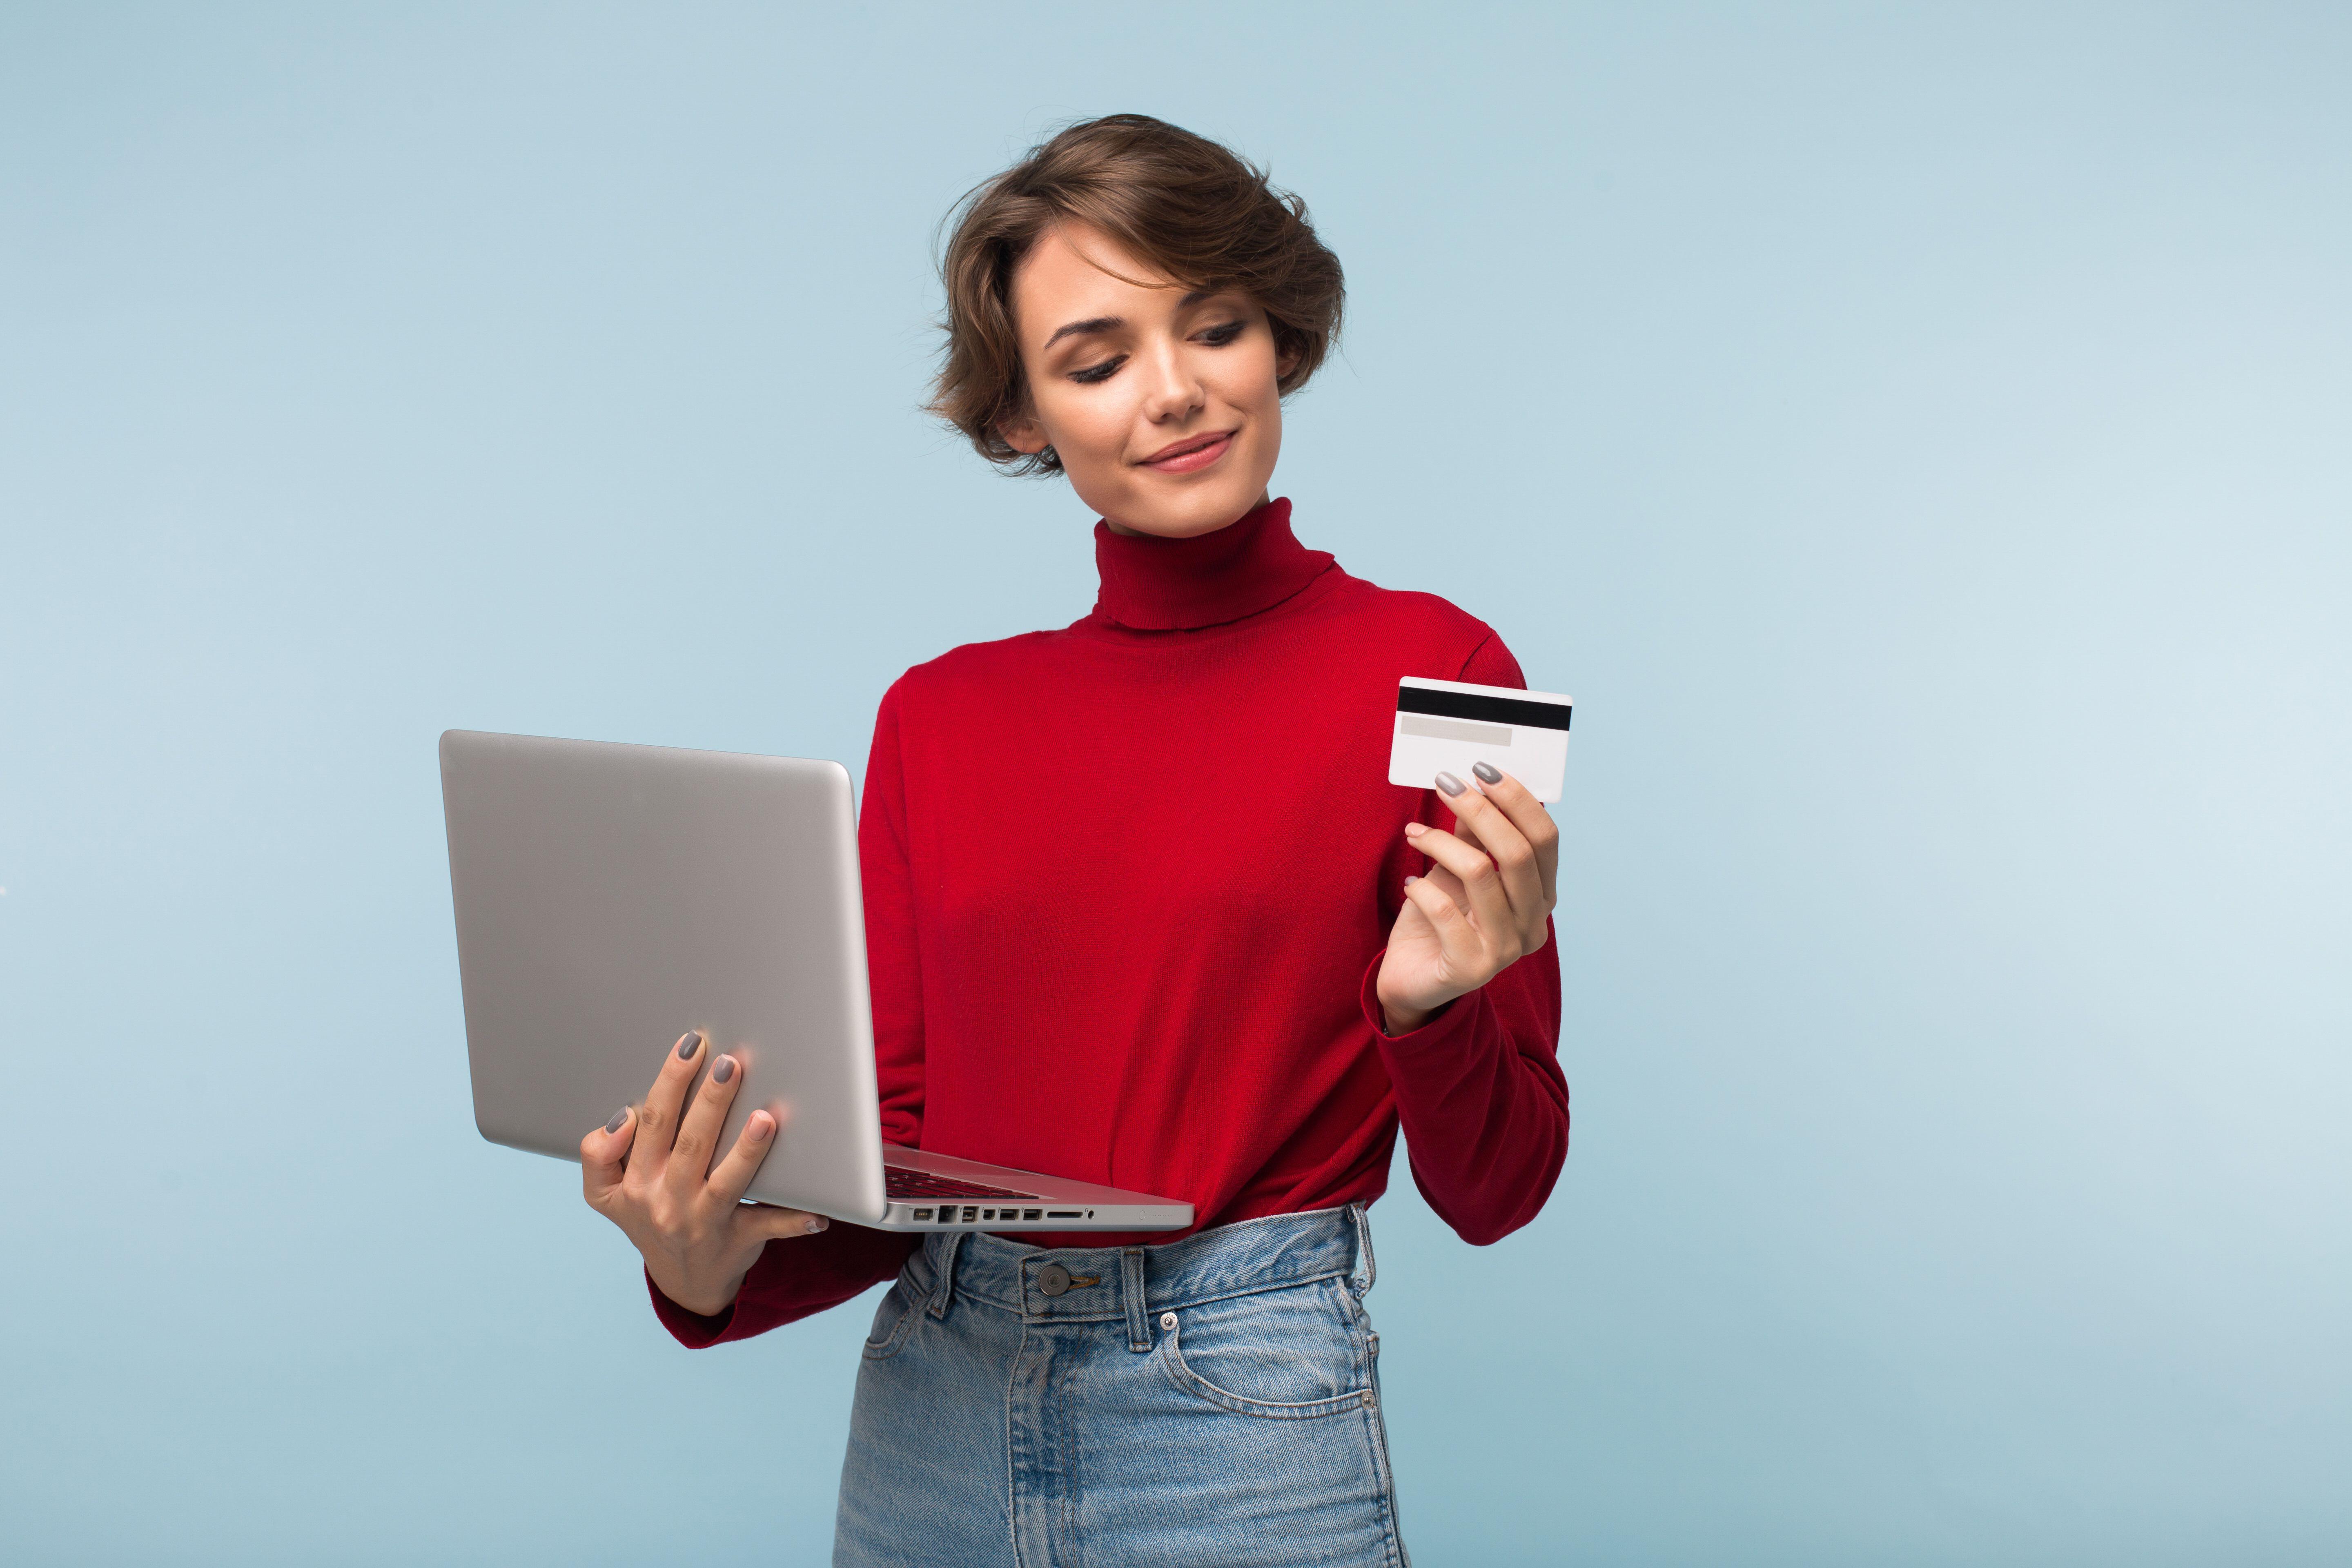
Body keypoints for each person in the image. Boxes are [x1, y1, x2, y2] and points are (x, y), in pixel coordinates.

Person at [575, 114, 1568, 1566]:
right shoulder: (939, 714)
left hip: (1241, 1403)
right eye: (1098, 361)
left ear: (1277, 338)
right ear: (1024, 416)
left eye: (1213, 327)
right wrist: (702, 1262)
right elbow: (896, 1168)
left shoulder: (1453, 671)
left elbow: (1506, 1187)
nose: (1173, 394)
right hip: (938, 1402)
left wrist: (1432, 1007)